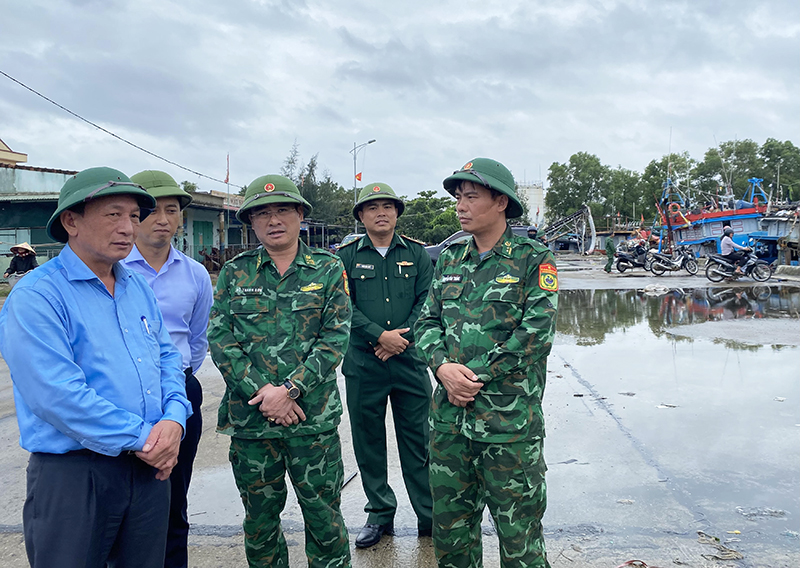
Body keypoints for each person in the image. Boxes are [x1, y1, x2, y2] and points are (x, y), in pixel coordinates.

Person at [0, 167, 191, 568]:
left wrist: (175, 418)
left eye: (134, 217)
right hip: (76, 475)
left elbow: (167, 359)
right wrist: (147, 439)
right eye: (113, 215)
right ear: (71, 220)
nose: (128, 228)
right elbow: (57, 395)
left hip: (148, 471)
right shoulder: (38, 296)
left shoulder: (136, 287)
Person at [415, 158, 559, 568]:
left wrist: (475, 377)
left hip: (508, 428)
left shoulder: (533, 259)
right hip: (449, 426)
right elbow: (426, 321)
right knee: (452, 537)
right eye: (458, 197)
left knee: (521, 541)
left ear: (501, 202)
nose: (460, 206)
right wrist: (442, 368)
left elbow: (535, 335)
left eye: (471, 197)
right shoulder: (449, 258)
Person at [208, 174, 352, 568]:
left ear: (300, 215)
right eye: (263, 213)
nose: (274, 220)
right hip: (253, 424)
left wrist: (290, 389)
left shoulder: (327, 269)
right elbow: (221, 340)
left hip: (312, 422)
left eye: (283, 210)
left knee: (325, 521)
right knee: (260, 524)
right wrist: (265, 394)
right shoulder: (235, 273)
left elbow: (335, 338)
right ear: (251, 223)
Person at [121, 170, 213, 568]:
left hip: (180, 393)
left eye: (171, 210)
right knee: (122, 501)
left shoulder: (194, 274)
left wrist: (180, 378)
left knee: (174, 497)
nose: (162, 218)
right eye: (152, 209)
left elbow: (197, 336)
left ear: (180, 219)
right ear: (134, 216)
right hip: (123, 396)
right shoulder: (113, 268)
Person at [337, 183, 434, 548]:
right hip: (365, 363)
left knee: (419, 440)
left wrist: (399, 341)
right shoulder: (345, 257)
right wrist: (379, 336)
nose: (381, 212)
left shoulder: (418, 255)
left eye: (388, 206)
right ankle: (379, 514)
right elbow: (343, 306)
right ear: (361, 216)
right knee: (369, 441)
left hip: (409, 362)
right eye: (372, 207)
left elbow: (428, 301)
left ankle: (428, 515)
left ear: (397, 213)